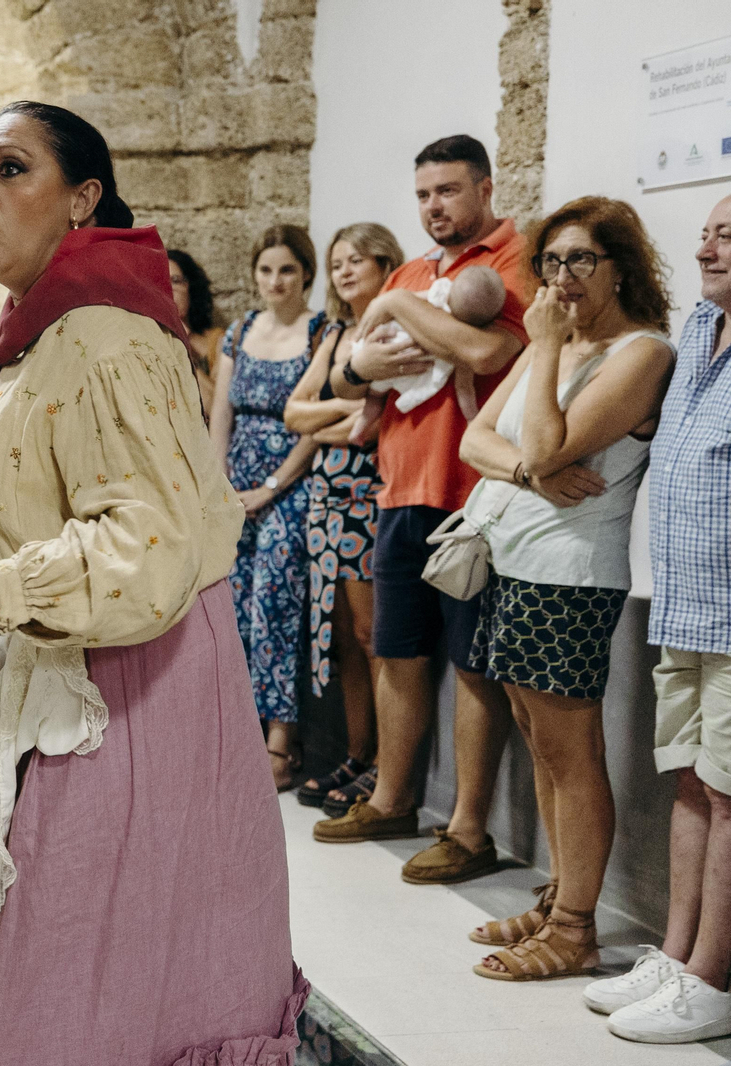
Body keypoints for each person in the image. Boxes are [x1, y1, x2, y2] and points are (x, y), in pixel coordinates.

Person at [0, 100, 305, 1065]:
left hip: (134, 693)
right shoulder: (41, 332)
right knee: (59, 962)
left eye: (11, 169)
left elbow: (149, 543)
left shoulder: (109, 335)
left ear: (83, 198)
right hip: (66, 673)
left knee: (96, 973)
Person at [451, 197, 674, 982]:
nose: (563, 277)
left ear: (621, 268)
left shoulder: (639, 353)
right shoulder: (563, 344)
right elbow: (477, 438)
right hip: (515, 562)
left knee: (572, 752)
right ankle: (558, 897)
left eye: (582, 260)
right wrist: (528, 473)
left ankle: (578, 928)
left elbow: (545, 440)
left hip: (571, 576)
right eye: (551, 261)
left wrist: (544, 350)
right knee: (540, 741)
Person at [317, 135, 533, 892]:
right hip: (399, 491)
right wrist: (359, 365)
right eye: (423, 194)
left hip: (473, 498)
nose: (434, 206)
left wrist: (399, 307)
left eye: (447, 190)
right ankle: (390, 800)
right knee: (395, 653)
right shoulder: (412, 268)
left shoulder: (512, 260)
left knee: (475, 665)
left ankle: (469, 830)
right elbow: (348, 377)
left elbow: (480, 352)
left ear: (484, 188)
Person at [584, 194, 731, 1043]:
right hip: (685, 602)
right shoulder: (702, 330)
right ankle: (676, 956)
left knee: (728, 789)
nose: (707, 247)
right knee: (689, 779)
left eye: (728, 235)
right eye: (707, 232)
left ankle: (712, 978)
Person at [283, 223, 405, 813]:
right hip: (325, 493)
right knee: (343, 644)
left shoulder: (396, 332)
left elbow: (377, 426)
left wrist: (336, 416)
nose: (346, 271)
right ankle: (356, 753)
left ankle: (387, 762)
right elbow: (294, 414)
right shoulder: (335, 334)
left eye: (358, 259)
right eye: (337, 263)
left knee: (370, 633)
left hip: (368, 493)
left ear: (386, 265)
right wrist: (350, 399)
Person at [210, 224, 325, 790]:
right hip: (237, 486)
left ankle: (281, 739)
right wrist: (220, 485)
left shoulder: (320, 331)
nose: (275, 281)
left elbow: (317, 424)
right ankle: (238, 733)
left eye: (286, 270)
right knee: (231, 609)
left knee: (275, 604)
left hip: (290, 484)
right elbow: (221, 419)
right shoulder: (238, 332)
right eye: (265, 270)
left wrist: (273, 486)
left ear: (305, 273)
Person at [347, 265, 507, 442]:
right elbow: (464, 389)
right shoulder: (463, 345)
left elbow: (409, 299)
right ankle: (361, 428)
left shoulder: (440, 293)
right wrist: (471, 419)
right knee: (376, 398)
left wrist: (392, 301)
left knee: (373, 397)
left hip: (384, 342)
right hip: (407, 371)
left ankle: (360, 425)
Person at [166, 248, 225, 413]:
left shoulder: (217, 341)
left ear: (191, 287)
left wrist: (180, 345)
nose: (168, 289)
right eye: (160, 282)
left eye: (175, 281)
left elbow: (215, 408)